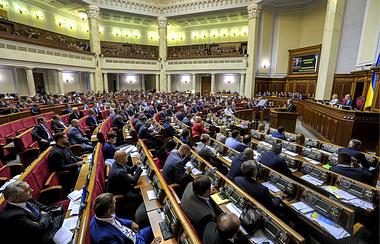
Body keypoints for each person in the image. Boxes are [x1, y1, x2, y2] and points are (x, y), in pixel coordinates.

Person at [0, 181, 66, 244]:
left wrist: (41, 220)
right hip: (46, 236)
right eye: (28, 190)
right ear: (17, 198)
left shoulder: (25, 198)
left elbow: (44, 209)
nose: (32, 190)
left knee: (74, 216)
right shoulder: (14, 216)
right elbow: (39, 229)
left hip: (51, 223)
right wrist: (44, 215)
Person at [90, 193, 161, 244]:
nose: (116, 204)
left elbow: (116, 221)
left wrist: (130, 223)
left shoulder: (100, 215)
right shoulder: (105, 239)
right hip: (135, 242)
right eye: (114, 203)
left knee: (159, 226)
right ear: (108, 211)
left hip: (136, 235)